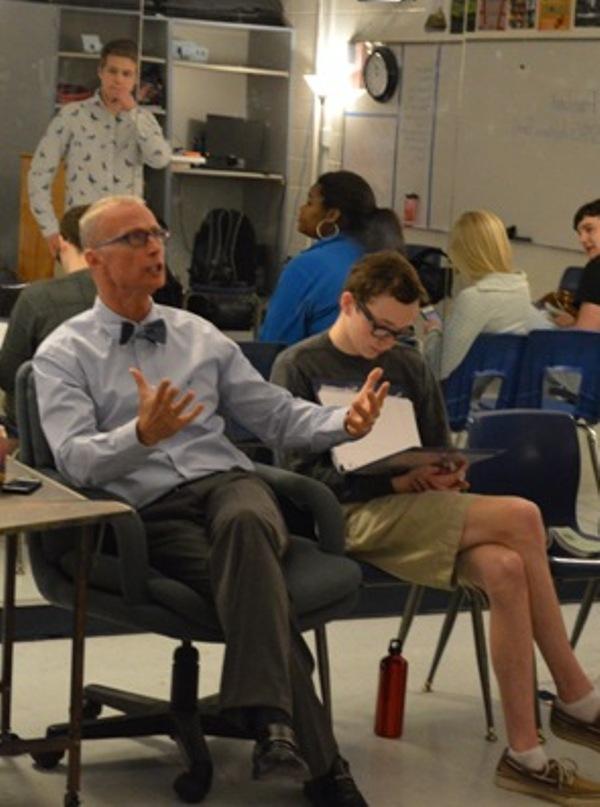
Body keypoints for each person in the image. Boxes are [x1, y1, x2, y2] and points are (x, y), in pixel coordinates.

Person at [32, 195, 389, 807]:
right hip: (148, 516)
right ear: (93, 259)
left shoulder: (200, 337)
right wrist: (140, 435)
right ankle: (304, 752)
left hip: (228, 486)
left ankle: (275, 726)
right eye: (134, 239)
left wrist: (343, 425)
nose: (153, 247)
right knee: (257, 586)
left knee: (249, 517)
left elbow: (275, 416)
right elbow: (74, 462)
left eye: (156, 233)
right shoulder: (64, 354)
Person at [271, 249, 600, 806]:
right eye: (380, 327)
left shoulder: (407, 364)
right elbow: (296, 479)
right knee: (522, 516)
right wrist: (393, 485)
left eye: (401, 331)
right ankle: (577, 695)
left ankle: (525, 754)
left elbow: (435, 445)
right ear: (348, 303)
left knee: (506, 566)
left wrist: (445, 471)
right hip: (345, 515)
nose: (388, 341)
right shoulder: (299, 365)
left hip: (412, 511)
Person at [28, 38, 171, 259]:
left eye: (127, 74)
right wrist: (50, 230)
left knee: (126, 295)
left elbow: (160, 159)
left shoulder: (145, 120)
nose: (118, 80)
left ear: (135, 79)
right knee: (75, 294)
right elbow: (38, 174)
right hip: (80, 237)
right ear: (100, 72)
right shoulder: (72, 115)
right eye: (112, 71)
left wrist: (134, 113)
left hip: (128, 239)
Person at [259, 170, 405, 345]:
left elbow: (274, 344)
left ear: (332, 215)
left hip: (318, 370)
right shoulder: (381, 259)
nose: (301, 209)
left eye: (309, 202)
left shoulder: (306, 268)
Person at [0, 204, 95, 438]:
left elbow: (9, 376)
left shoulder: (38, 299)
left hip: (43, 429)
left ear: (62, 242)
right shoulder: (136, 295)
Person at [423, 210, 548, 380]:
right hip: (493, 400)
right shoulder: (521, 292)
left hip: (454, 400)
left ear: (464, 252)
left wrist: (433, 332)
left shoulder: (472, 299)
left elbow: (437, 368)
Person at [550, 198, 600, 331]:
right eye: (579, 234)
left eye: (589, 230)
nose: (582, 240)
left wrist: (571, 326)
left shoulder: (597, 267)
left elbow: (586, 336)